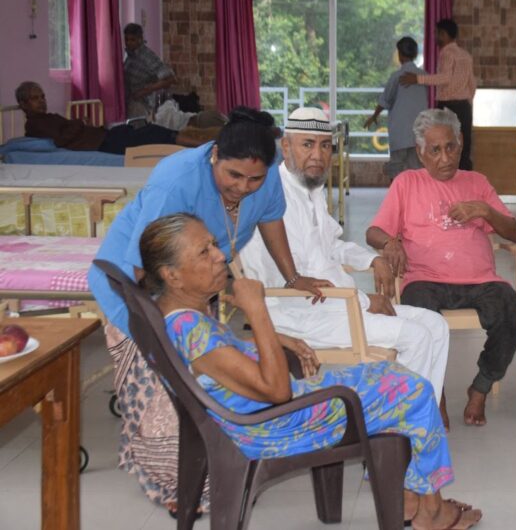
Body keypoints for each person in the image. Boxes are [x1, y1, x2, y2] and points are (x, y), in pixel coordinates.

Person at [137, 213, 482, 529]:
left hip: (257, 413)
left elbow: (226, 364)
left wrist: (278, 339)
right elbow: (277, 392)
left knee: (393, 377)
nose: (219, 256)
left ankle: (416, 498)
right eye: (203, 252)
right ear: (172, 275)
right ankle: (430, 507)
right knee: (414, 392)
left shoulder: (177, 316)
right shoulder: (192, 330)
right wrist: (257, 310)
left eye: (213, 244)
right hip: (273, 425)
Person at [86, 107, 331, 513]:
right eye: (234, 176)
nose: (243, 187)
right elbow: (142, 268)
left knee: (206, 384)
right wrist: (165, 333)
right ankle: (174, 487)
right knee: (163, 387)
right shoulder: (177, 182)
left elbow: (270, 219)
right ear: (215, 154)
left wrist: (292, 277)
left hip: (194, 284)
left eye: (254, 179)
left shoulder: (263, 178)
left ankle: (217, 460)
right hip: (139, 284)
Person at [240, 106, 450, 415]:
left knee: (437, 325)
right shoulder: (277, 197)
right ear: (286, 146)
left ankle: (417, 419)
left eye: (325, 146)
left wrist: (372, 261)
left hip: (334, 306)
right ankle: (396, 428)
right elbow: (306, 277)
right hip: (298, 313)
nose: (318, 155)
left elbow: (332, 246)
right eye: (307, 144)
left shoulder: (308, 189)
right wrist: (365, 302)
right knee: (416, 336)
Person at [366, 108, 516, 427]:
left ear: (461, 142)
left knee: (512, 312)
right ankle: (433, 392)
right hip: (426, 279)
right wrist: (389, 243)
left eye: (451, 147)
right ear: (421, 153)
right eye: (435, 150)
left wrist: (485, 211)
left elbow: (514, 232)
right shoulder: (407, 183)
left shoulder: (477, 182)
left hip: (480, 280)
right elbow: (373, 232)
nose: (445, 158)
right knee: (419, 318)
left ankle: (480, 388)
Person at [15, 80, 215, 154]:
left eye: (42, 96)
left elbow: (66, 132)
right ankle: (205, 146)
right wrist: (79, 123)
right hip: (100, 145)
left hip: (102, 136)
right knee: (153, 132)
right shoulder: (35, 125)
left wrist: (83, 125)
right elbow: (61, 140)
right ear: (23, 104)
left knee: (143, 128)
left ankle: (203, 143)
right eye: (34, 98)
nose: (41, 101)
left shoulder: (47, 117)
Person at [399, 19, 476, 171]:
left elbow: (444, 78)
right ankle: (466, 182)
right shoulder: (466, 55)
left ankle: (447, 182)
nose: (435, 37)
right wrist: (467, 103)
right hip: (464, 107)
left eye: (436, 33)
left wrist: (417, 79)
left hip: (449, 107)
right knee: (463, 147)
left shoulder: (447, 53)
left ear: (444, 34)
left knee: (445, 145)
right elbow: (472, 83)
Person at [364, 36, 430, 180]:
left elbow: (384, 101)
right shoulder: (424, 77)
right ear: (415, 54)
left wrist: (374, 116)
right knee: (418, 170)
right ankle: (416, 200)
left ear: (399, 55)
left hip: (400, 133)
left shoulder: (397, 76)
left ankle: (398, 199)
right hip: (419, 133)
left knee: (397, 169)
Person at [123, 22, 177, 119]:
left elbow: (170, 79)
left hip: (140, 105)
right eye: (126, 39)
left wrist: (146, 90)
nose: (129, 43)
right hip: (129, 103)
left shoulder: (147, 56)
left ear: (140, 39)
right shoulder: (130, 56)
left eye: (132, 40)